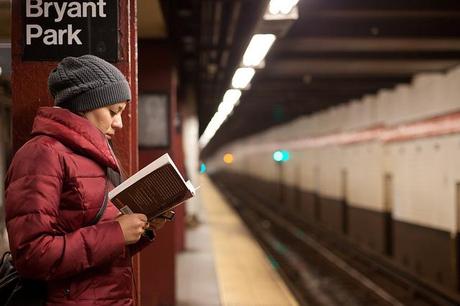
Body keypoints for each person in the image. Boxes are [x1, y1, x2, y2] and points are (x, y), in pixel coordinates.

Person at [5, 55, 165, 305]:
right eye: (113, 111)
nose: (119, 123)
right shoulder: (41, 154)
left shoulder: (99, 155)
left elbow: (102, 250)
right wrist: (116, 233)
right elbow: (32, 256)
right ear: (85, 104)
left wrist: (139, 231)